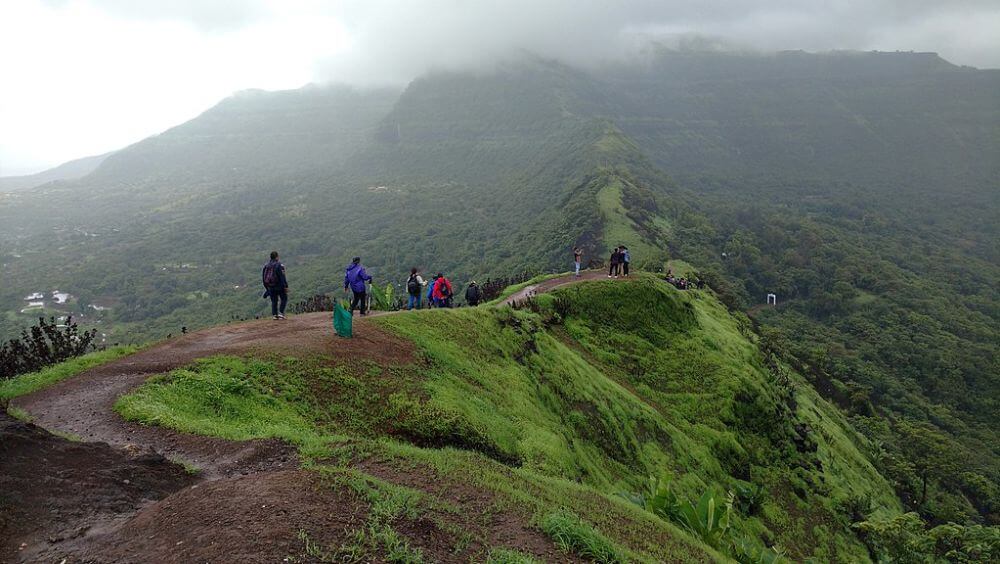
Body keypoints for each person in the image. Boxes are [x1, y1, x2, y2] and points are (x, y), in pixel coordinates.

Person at [262, 251, 288, 320]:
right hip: (279, 286)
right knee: (284, 298)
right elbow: (282, 276)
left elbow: (264, 278)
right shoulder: (279, 265)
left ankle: (274, 315)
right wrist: (285, 286)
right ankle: (281, 313)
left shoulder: (266, 265)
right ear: (277, 257)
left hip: (270, 286)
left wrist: (267, 288)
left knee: (274, 301)